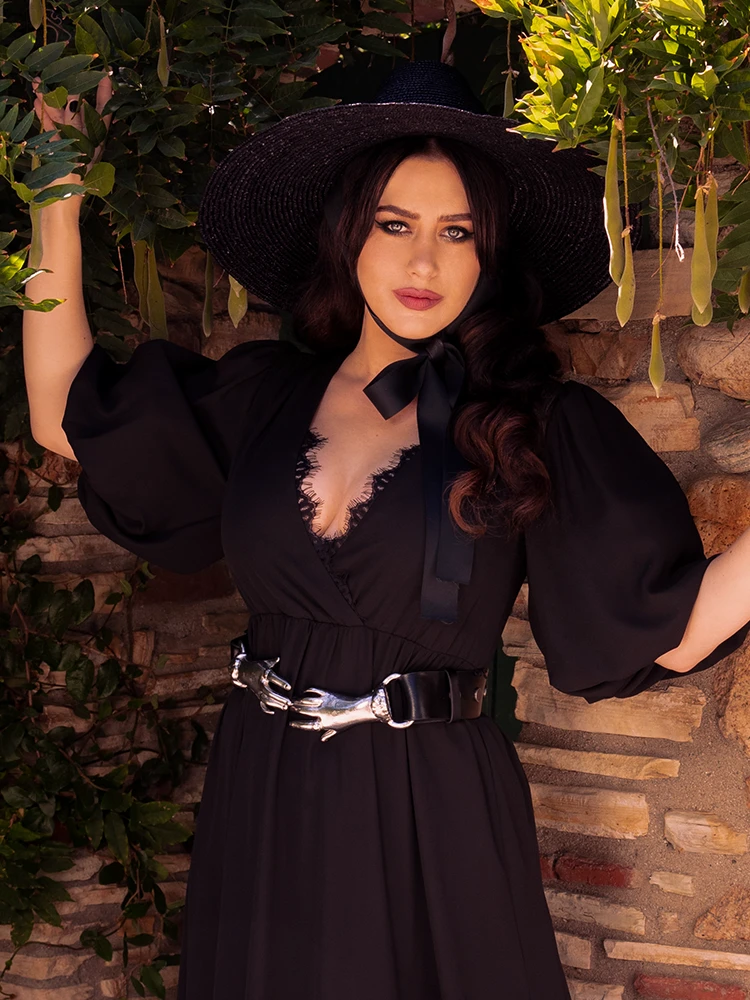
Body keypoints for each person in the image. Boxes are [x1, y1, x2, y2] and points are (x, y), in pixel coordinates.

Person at [24, 58, 750, 1000]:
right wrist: (56, 197)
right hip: (262, 789)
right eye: (394, 225)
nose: (424, 264)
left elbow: (672, 628)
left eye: (458, 232)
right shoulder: (263, 396)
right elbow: (65, 417)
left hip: (426, 808)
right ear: (347, 234)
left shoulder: (535, 425)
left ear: (490, 253)